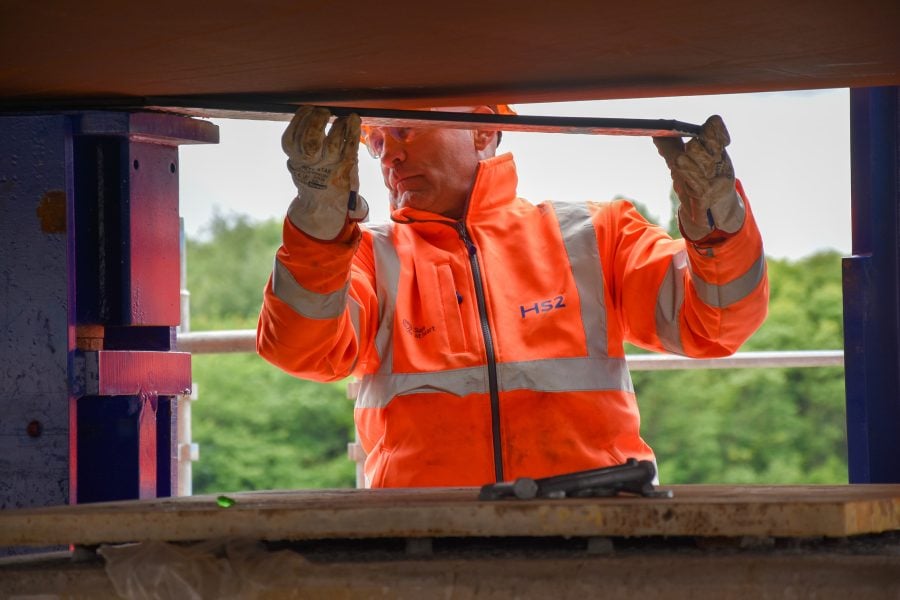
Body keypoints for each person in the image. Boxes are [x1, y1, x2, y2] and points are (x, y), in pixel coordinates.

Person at [257, 104, 768, 488]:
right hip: (423, 539)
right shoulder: (366, 255)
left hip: (596, 530)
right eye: (377, 141)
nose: (389, 153)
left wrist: (717, 224)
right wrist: (318, 229)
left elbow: (715, 325)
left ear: (481, 131)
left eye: (405, 129)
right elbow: (301, 351)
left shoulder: (597, 234)